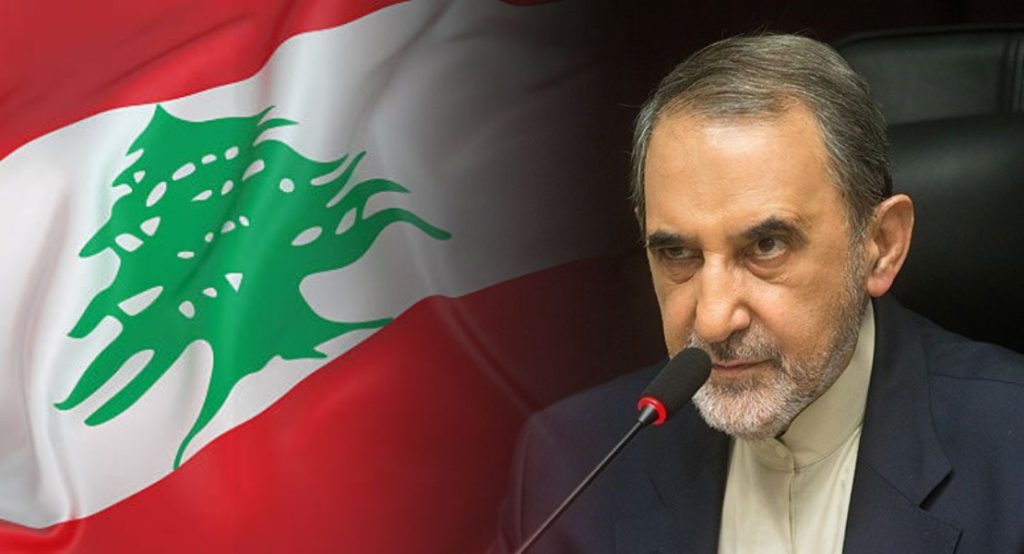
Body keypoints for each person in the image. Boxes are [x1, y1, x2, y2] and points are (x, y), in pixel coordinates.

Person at [491, 34, 1024, 553]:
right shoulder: (572, 465)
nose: (714, 320)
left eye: (766, 246)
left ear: (880, 245)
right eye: (678, 253)